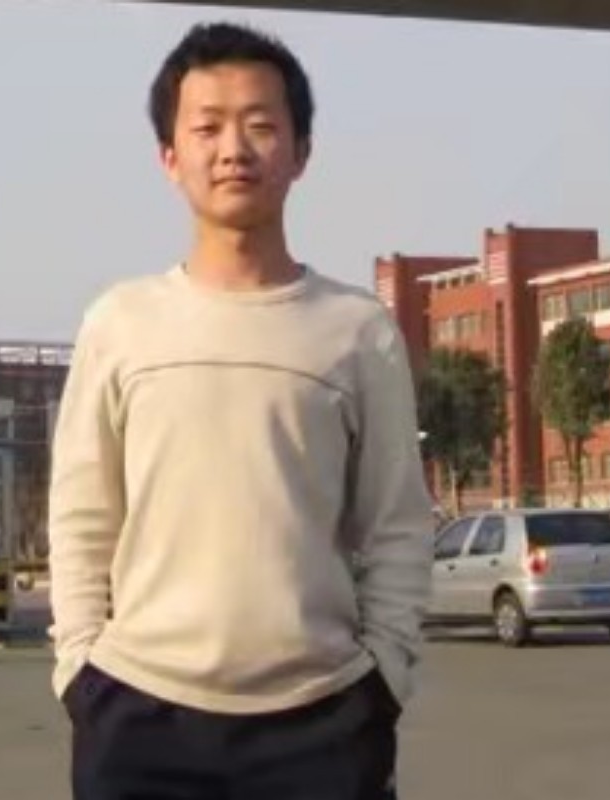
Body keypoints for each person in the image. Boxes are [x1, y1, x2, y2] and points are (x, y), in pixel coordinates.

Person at [49, 21, 434, 800]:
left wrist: (383, 677)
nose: (234, 150)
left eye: (260, 125)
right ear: (170, 157)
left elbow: (397, 522)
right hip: (137, 715)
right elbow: (83, 517)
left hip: (323, 720)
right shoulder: (120, 323)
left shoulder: (357, 331)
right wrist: (80, 669)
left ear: (300, 152)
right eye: (208, 128)